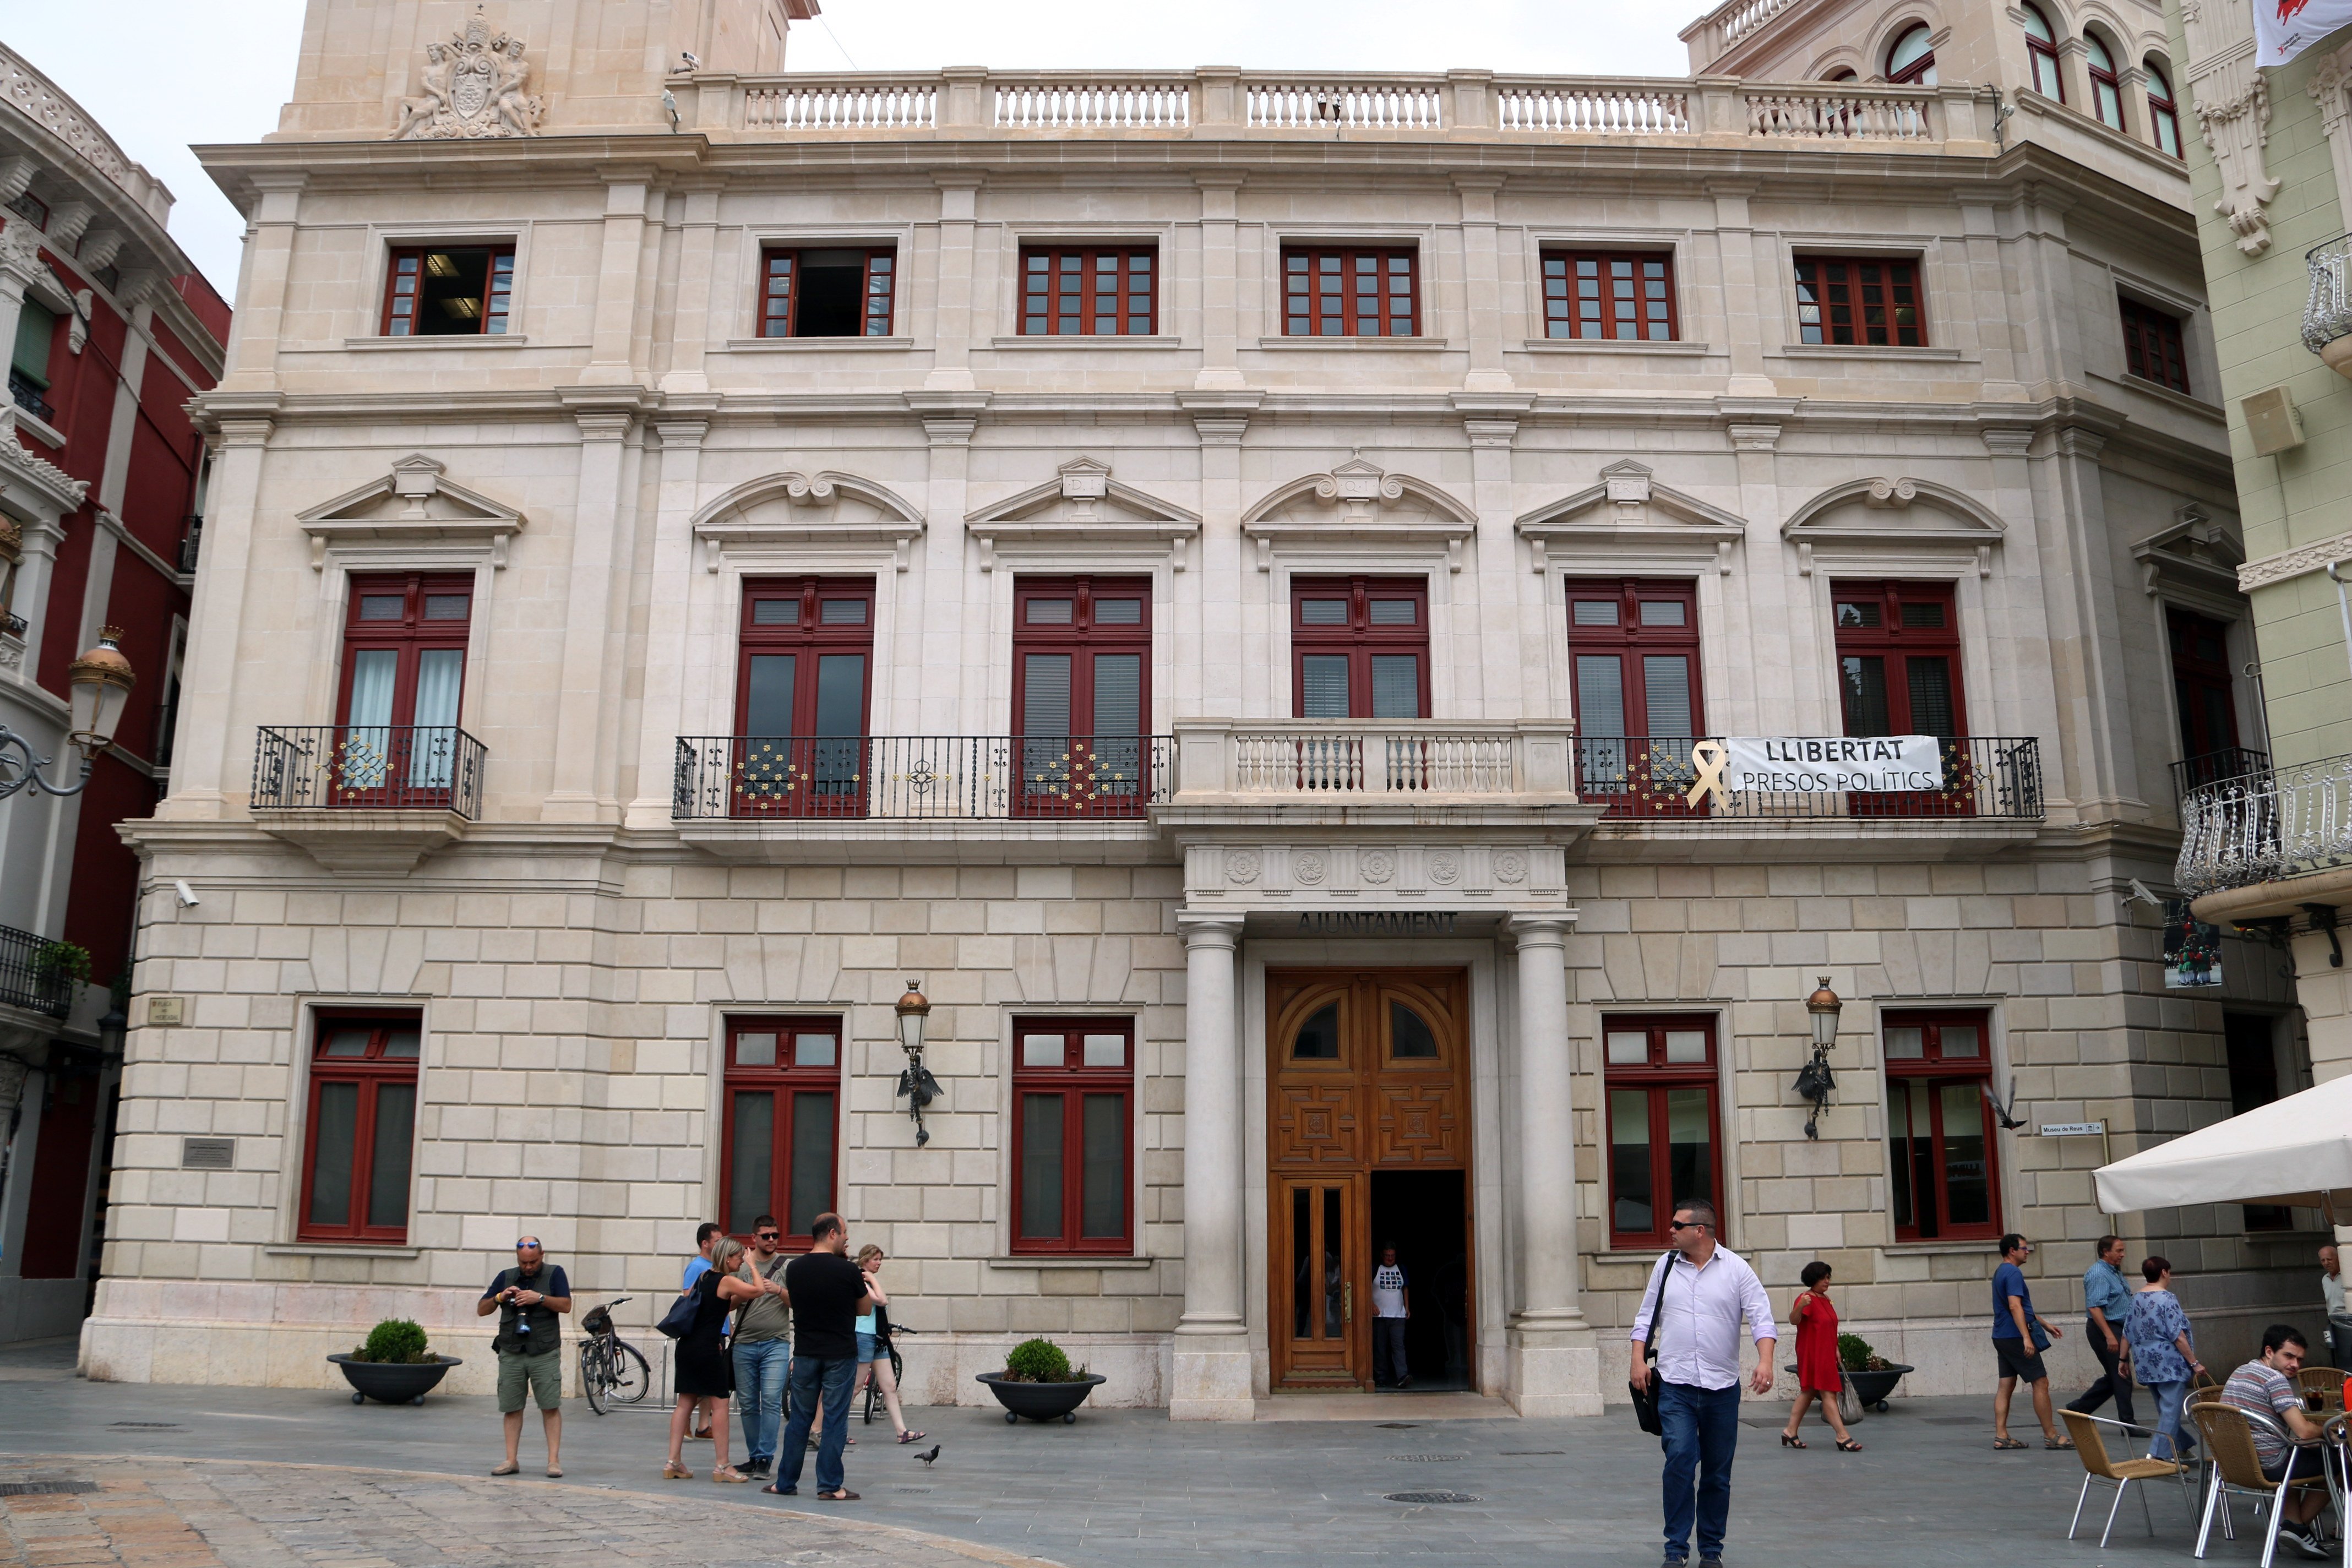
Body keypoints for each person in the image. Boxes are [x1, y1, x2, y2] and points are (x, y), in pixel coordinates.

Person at [1627, 1199, 1777, 1568]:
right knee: (1679, 1457)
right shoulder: (1665, 1266)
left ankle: (1711, 1550)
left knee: (1716, 1473)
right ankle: (1675, 1549)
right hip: (1675, 1386)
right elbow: (1646, 1316)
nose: (1670, 1230)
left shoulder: (1737, 1270)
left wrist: (1766, 1361)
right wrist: (1636, 1360)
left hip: (1722, 1391)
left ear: (1701, 1231)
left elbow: (1762, 1317)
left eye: (1677, 1225)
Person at [765, 1212, 871, 1503]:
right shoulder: (847, 1271)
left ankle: (785, 1482)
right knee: (835, 1420)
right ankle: (830, 1485)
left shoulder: (795, 1268)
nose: (848, 1238)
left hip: (806, 1352)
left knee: (799, 1418)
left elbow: (795, 1303)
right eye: (845, 1232)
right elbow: (865, 1309)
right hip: (840, 1353)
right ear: (833, 1234)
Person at [2220, 1325, 2331, 1558]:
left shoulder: (2240, 1371)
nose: (2295, 1365)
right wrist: (2329, 1432)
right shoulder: (2275, 1379)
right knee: (2340, 1462)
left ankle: (2294, 1525)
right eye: (2289, 1356)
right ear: (2269, 1352)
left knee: (2296, 1453)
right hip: (2271, 1464)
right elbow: (2303, 1431)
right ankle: (2295, 1528)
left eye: (2300, 1360)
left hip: (2236, 1464)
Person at [476, 1235, 570, 1478]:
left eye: (533, 1262)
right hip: (511, 1351)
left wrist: (538, 1298)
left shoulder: (555, 1273)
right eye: (523, 1263)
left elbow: (566, 1305)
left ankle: (553, 1462)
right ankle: (510, 1460)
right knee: (511, 1407)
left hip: (544, 1351)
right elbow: (481, 1309)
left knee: (550, 1406)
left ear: (542, 1255)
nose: (528, 1267)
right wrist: (500, 1297)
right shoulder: (506, 1276)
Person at [665, 1234, 755, 1482]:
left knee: (685, 1402)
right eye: (739, 1258)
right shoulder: (725, 1280)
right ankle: (723, 1466)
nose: (741, 1262)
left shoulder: (704, 1277)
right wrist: (755, 1266)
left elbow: (717, 1306)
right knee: (721, 1403)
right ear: (728, 1259)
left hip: (687, 1346)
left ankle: (673, 1461)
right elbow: (757, 1290)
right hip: (707, 1348)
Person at [1989, 1233, 2069, 1451]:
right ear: (2012, 1251)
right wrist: (2027, 1337)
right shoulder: (2013, 1273)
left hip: (2001, 1336)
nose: (2028, 1252)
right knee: (2040, 1382)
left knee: (2006, 1385)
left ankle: (2001, 1435)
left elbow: (2020, 1308)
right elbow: (2015, 1307)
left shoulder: (2000, 1272)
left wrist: (2043, 1324)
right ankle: (2051, 1435)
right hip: (2015, 1337)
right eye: (2024, 1248)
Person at [2123, 1255, 2204, 1462]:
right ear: (2164, 1273)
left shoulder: (2136, 1298)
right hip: (2170, 1363)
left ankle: (2182, 1447)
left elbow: (2127, 1332)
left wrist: (2122, 1360)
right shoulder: (2168, 1299)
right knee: (2170, 1410)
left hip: (2145, 1362)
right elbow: (2178, 1335)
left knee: (2166, 1409)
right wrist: (2194, 1363)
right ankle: (2158, 1454)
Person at [731, 1215, 793, 1481]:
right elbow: (729, 1303)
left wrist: (778, 1290)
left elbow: (797, 1303)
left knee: (770, 1401)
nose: (771, 1240)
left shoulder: (787, 1267)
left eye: (775, 1236)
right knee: (747, 1403)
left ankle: (766, 1457)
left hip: (775, 1344)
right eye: (765, 1236)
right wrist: (747, 1290)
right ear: (753, 1238)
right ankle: (754, 1455)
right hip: (744, 1343)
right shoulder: (741, 1266)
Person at [1779, 1261, 1859, 1452]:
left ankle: (1790, 1431)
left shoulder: (1825, 1299)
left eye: (1829, 1277)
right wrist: (1800, 1306)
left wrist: (1836, 1348)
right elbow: (1793, 1320)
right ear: (1813, 1279)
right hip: (1813, 1352)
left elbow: (1830, 1327)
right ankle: (1842, 1436)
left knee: (1809, 1391)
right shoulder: (1805, 1298)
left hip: (1826, 1351)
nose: (1827, 1281)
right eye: (1824, 1278)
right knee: (1827, 1392)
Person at [850, 1245, 925, 1445]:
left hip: (878, 1339)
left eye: (880, 1259)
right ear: (865, 1260)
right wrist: (872, 1278)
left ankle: (902, 1432)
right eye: (876, 1259)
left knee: (889, 1386)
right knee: (856, 1387)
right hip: (864, 1336)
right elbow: (881, 1301)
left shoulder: (867, 1279)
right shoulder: (860, 1279)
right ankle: (834, 1429)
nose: (879, 1263)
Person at [2066, 1234, 2139, 1430]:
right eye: (2119, 1251)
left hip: (2117, 1328)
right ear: (2106, 1252)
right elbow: (2095, 1308)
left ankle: (2079, 1408)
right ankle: (2128, 1423)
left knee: (2115, 1376)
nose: (2123, 1254)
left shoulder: (2114, 1271)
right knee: (2122, 1376)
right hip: (2105, 1328)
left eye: (2123, 1250)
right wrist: (2109, 1336)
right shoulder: (2098, 1274)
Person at [682, 1221, 721, 1440]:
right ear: (705, 1243)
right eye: (717, 1240)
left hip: (718, 1329)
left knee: (710, 1383)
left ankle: (704, 1425)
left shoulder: (715, 1267)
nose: (721, 1244)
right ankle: (685, 1420)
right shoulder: (697, 1267)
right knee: (702, 1382)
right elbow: (688, 1297)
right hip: (705, 1333)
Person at [1371, 1244, 1411, 1390]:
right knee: (1380, 1347)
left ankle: (1402, 1376)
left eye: (1392, 1255)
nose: (1390, 1258)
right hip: (1379, 1316)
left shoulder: (1401, 1268)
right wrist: (1371, 1305)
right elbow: (1364, 1287)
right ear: (1382, 1256)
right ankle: (1380, 1377)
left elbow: (1405, 1288)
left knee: (1399, 1346)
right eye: (1387, 1255)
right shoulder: (1375, 1269)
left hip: (1397, 1315)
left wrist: (1407, 1307)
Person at [2321, 1245, 2344, 1363]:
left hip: (2347, 1322)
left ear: (2338, 1258)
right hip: (2332, 1323)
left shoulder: (2347, 1277)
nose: (2326, 1263)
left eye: (2329, 1259)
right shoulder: (2325, 1279)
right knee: (2335, 1355)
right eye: (2323, 1260)